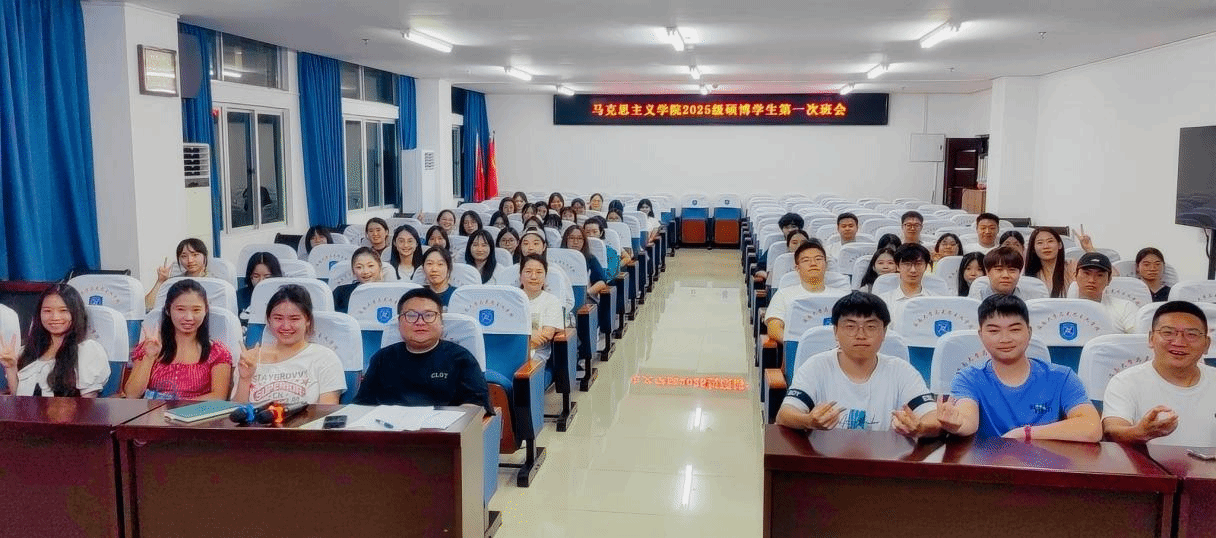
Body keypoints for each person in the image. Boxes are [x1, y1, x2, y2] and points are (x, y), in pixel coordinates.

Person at [937, 294, 1101, 441]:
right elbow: (968, 419)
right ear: (981, 335)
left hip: (1045, 463)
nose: (1005, 339)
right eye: (994, 331)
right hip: (988, 463)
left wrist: (1025, 434)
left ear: (1029, 332)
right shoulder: (968, 378)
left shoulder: (1062, 377)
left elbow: (1091, 427)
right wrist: (958, 423)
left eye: (1014, 329)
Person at [775, 292, 940, 437]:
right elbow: (785, 414)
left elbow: (933, 417)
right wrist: (808, 421)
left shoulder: (901, 370)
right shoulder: (816, 366)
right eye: (850, 326)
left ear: (884, 332)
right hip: (826, 457)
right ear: (835, 331)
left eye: (871, 326)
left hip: (884, 459)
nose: (861, 335)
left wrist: (920, 428)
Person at [353, 288, 492, 413]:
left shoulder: (461, 358)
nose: (420, 322)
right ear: (399, 323)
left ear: (441, 323)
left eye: (429, 315)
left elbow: (476, 406)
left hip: (442, 430)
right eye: (411, 315)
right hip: (388, 430)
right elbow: (361, 406)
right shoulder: (382, 358)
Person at [1103, 301, 1214, 445]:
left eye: (1191, 334)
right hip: (1145, 461)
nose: (1179, 342)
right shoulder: (1125, 382)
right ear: (1151, 338)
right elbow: (1112, 431)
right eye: (1168, 333)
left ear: (1207, 344)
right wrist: (1140, 433)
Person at [233, 285, 345, 404]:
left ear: (307, 320)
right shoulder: (249, 358)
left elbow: (327, 412)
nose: (286, 326)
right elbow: (236, 411)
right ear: (269, 320)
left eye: (294, 319)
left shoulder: (325, 358)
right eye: (278, 318)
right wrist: (245, 379)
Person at [125, 279, 233, 400]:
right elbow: (132, 395)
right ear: (168, 310)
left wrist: (174, 407)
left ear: (205, 310)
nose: (189, 317)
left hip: (193, 412)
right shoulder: (150, 346)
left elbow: (218, 396)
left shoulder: (217, 353)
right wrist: (149, 358)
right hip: (151, 411)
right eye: (180, 309)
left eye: (196, 310)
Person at [0, 284, 108, 397]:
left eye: (63, 310)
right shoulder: (27, 351)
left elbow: (88, 404)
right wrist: (11, 368)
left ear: (76, 313)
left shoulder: (87, 351)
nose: (55, 317)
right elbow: (20, 399)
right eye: (47, 311)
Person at [764, 241, 849, 343]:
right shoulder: (783, 294)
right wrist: (795, 344)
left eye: (818, 259)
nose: (813, 263)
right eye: (806, 260)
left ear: (826, 265)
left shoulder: (842, 297)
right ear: (797, 268)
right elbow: (773, 327)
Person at [1074, 252, 1138, 333]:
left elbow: (1138, 338)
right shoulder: (1063, 308)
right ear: (1075, 275)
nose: (1092, 280)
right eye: (1087, 273)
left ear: (1109, 280)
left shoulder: (1125, 308)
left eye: (1099, 275)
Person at [879, 243, 936, 331]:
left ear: (925, 267)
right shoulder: (883, 301)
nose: (913, 270)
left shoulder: (935, 299)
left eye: (918, 264)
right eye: (907, 264)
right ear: (897, 266)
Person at [520, 254, 564, 362]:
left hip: (537, 353)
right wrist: (529, 337)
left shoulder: (551, 301)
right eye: (528, 272)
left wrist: (526, 341)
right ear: (520, 276)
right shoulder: (512, 300)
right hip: (510, 350)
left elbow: (547, 334)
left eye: (539, 272)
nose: (533, 277)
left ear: (545, 277)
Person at [146, 238, 210, 309]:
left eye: (195, 255)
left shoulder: (214, 280)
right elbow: (148, 307)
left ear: (205, 256)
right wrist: (160, 281)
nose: (190, 260)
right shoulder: (175, 282)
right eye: (184, 256)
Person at [969, 246, 1044, 300]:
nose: (1005, 275)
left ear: (1020, 272)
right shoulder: (978, 296)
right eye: (999, 270)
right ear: (987, 272)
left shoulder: (1032, 299)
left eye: (1012, 270)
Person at [561, 224, 611, 297]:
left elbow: (601, 282)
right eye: (571, 238)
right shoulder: (558, 258)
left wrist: (586, 293)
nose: (575, 242)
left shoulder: (590, 258)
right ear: (565, 240)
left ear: (584, 241)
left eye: (580, 238)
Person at [1025, 228, 1074, 298]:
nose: (1046, 246)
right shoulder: (1029, 275)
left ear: (1060, 245)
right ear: (1033, 249)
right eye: (1040, 243)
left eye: (1050, 241)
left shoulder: (1071, 266)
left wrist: (1088, 249)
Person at [332, 247, 383, 313]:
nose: (365, 271)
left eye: (370, 266)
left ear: (380, 267)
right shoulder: (340, 293)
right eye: (359, 267)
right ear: (353, 271)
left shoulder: (388, 292)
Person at [237, 252, 283, 322]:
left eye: (267, 277)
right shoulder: (239, 296)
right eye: (256, 276)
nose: (261, 281)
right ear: (250, 276)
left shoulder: (283, 297)